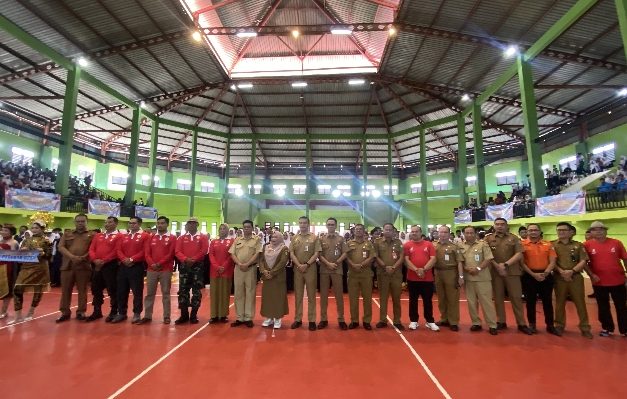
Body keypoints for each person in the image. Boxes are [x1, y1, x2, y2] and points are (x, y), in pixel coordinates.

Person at [485, 218, 532, 335]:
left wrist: (505, 265)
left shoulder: (514, 238)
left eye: (502, 224)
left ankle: (521, 323)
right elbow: (487, 255)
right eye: (497, 224)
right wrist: (497, 266)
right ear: (494, 226)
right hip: (495, 273)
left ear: (506, 226)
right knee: (498, 298)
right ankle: (501, 321)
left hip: (512, 272)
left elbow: (519, 253)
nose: (500, 226)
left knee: (516, 298)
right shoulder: (488, 239)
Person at [583, 221, 627, 337]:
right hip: (599, 282)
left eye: (601, 229)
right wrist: (592, 275)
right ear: (591, 232)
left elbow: (625, 259)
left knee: (621, 306)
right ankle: (607, 328)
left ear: (606, 231)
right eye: (595, 230)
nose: (599, 231)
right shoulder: (586, 245)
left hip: (618, 280)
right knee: (603, 306)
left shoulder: (617, 243)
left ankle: (624, 329)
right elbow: (584, 263)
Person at [552, 222, 593, 339]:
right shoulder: (553, 245)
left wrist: (572, 271)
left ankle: (585, 327)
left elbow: (583, 261)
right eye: (559, 230)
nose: (561, 232)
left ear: (571, 232)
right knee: (559, 303)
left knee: (580, 302)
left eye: (564, 230)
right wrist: (561, 272)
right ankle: (559, 325)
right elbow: (551, 261)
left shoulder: (578, 245)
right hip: (559, 278)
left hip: (575, 277)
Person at [520, 224, 560, 335]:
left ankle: (550, 325)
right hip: (529, 276)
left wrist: (546, 273)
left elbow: (552, 261)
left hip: (546, 275)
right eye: (530, 230)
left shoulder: (548, 244)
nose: (533, 232)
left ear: (540, 232)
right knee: (530, 302)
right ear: (527, 232)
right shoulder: (522, 245)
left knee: (547, 302)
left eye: (535, 230)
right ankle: (532, 325)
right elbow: (521, 263)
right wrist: (533, 274)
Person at [8, 221, 51, 324]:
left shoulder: (46, 240)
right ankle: (18, 316)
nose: (34, 230)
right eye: (33, 228)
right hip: (26, 267)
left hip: (40, 268)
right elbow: (20, 253)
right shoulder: (26, 240)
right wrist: (22, 251)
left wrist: (42, 252)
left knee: (38, 290)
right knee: (17, 288)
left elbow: (49, 256)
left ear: (42, 229)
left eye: (36, 228)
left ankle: (31, 312)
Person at [459, 226, 498, 335]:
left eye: (471, 233)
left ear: (475, 233)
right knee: (471, 303)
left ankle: (492, 325)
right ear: (463, 234)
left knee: (487, 302)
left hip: (483, 278)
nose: (469, 235)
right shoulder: (461, 246)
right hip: (469, 279)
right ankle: (476, 323)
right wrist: (466, 269)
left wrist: (478, 268)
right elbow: (460, 261)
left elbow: (488, 258)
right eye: (467, 233)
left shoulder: (483, 244)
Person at [111, 217, 150, 324]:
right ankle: (122, 313)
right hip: (123, 266)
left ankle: (137, 314)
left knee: (137, 291)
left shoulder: (145, 236)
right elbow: (118, 250)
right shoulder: (124, 236)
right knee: (121, 291)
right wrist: (124, 259)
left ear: (139, 224)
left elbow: (144, 251)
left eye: (134, 223)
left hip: (136, 266)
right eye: (130, 223)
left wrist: (132, 259)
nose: (131, 225)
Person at [57, 214, 94, 323]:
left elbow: (93, 249)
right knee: (65, 290)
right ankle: (65, 312)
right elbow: (61, 247)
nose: (80, 223)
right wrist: (72, 257)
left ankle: (81, 312)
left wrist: (83, 257)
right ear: (75, 222)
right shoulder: (67, 233)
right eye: (78, 221)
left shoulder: (92, 235)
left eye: (83, 221)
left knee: (82, 290)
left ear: (87, 222)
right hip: (67, 266)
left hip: (83, 266)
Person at [139, 216, 176, 325]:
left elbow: (171, 253)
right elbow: (147, 253)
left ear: (167, 224)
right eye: (158, 223)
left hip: (166, 269)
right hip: (151, 270)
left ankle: (166, 316)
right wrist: (152, 264)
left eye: (162, 223)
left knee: (166, 293)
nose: (160, 225)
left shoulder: (172, 238)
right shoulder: (151, 237)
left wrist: (160, 263)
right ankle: (147, 315)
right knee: (149, 293)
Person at [403, 225, 439, 332]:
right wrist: (416, 270)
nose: (414, 233)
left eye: (416, 231)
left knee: (427, 301)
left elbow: (433, 259)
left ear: (420, 232)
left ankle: (430, 321)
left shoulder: (429, 244)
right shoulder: (407, 245)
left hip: (427, 279)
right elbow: (406, 260)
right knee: (412, 301)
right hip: (412, 278)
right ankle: (414, 321)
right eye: (412, 231)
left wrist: (423, 269)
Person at [174, 217, 209, 324]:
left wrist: (194, 259)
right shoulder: (181, 238)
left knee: (196, 291)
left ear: (197, 225)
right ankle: (184, 315)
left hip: (197, 267)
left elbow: (204, 251)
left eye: (193, 223)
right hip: (184, 267)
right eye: (189, 223)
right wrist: (185, 259)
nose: (191, 225)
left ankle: (193, 315)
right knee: (183, 291)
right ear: (187, 225)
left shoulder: (202, 237)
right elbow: (177, 251)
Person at [86, 216, 121, 322]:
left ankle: (114, 311)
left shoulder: (119, 236)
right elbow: (92, 249)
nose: (107, 224)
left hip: (111, 266)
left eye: (110, 222)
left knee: (112, 289)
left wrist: (104, 260)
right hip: (97, 266)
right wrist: (95, 259)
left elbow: (116, 251)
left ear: (115, 224)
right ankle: (97, 311)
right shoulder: (98, 235)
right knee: (96, 288)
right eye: (106, 222)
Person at [289, 216, 321, 331]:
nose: (302, 225)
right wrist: (298, 265)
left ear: (308, 224)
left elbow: (316, 253)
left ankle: (312, 320)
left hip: (310, 268)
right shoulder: (294, 238)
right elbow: (291, 253)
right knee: (298, 295)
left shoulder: (314, 237)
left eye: (304, 223)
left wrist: (307, 264)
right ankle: (298, 319)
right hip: (298, 269)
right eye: (301, 223)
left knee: (311, 295)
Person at [229, 220, 261, 328]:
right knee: (238, 293)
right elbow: (232, 253)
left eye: (248, 227)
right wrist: (239, 263)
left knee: (250, 293)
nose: (246, 229)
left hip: (250, 269)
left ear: (252, 228)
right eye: (245, 227)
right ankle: (239, 317)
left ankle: (248, 317)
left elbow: (257, 253)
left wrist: (247, 263)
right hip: (238, 269)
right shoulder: (237, 240)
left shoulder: (256, 240)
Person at [318, 217, 348, 330]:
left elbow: (345, 253)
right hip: (324, 270)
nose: (330, 226)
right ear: (326, 226)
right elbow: (319, 254)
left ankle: (341, 319)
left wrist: (336, 262)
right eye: (329, 224)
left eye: (332, 224)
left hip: (337, 269)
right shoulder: (321, 239)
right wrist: (328, 264)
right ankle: (323, 319)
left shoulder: (341, 239)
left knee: (339, 296)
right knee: (324, 296)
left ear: (335, 226)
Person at [374, 223, 404, 330]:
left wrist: (394, 267)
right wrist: (385, 266)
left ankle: (397, 320)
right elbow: (376, 256)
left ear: (393, 231)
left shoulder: (398, 242)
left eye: (390, 229)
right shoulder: (377, 242)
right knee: (383, 298)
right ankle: (383, 320)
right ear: (383, 230)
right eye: (386, 229)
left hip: (396, 274)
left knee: (396, 298)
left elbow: (401, 257)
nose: (388, 231)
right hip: (383, 274)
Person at [433, 225, 463, 331]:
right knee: (441, 298)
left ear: (449, 234)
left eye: (445, 232)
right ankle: (444, 318)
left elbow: (459, 262)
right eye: (441, 232)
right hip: (438, 273)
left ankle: (453, 321)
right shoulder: (434, 245)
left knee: (452, 298)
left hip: (451, 273)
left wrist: (460, 276)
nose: (442, 234)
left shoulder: (455, 246)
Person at [345, 223, 375, 330]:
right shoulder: (349, 243)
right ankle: (354, 320)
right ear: (353, 231)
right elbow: (346, 256)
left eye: (360, 229)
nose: (358, 231)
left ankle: (367, 321)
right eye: (356, 229)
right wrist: (353, 265)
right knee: (353, 299)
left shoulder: (369, 244)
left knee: (367, 299)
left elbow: (372, 257)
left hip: (366, 274)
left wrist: (361, 265)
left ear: (364, 231)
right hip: (353, 274)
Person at [259, 231, 290, 329]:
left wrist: (272, 273)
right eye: (272, 237)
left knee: (278, 297)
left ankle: (277, 318)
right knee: (268, 297)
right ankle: (269, 317)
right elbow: (261, 260)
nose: (273, 238)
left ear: (280, 238)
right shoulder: (265, 247)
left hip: (278, 277)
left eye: (276, 237)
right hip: (267, 278)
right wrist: (264, 271)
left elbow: (282, 262)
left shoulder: (284, 248)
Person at [208, 223, 235, 324]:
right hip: (214, 271)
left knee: (224, 293)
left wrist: (224, 266)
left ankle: (223, 315)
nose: (222, 230)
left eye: (224, 229)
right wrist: (216, 266)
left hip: (226, 271)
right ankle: (214, 315)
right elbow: (211, 255)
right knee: (214, 293)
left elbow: (231, 256)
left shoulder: (232, 241)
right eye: (220, 228)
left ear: (228, 231)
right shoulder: (213, 241)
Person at [0, 225, 18, 319]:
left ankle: (3, 311)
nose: (3, 232)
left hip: (7, 268)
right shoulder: (0, 241)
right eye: (2, 230)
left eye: (5, 230)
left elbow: (16, 256)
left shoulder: (14, 242)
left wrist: (3, 252)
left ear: (11, 232)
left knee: (7, 290)